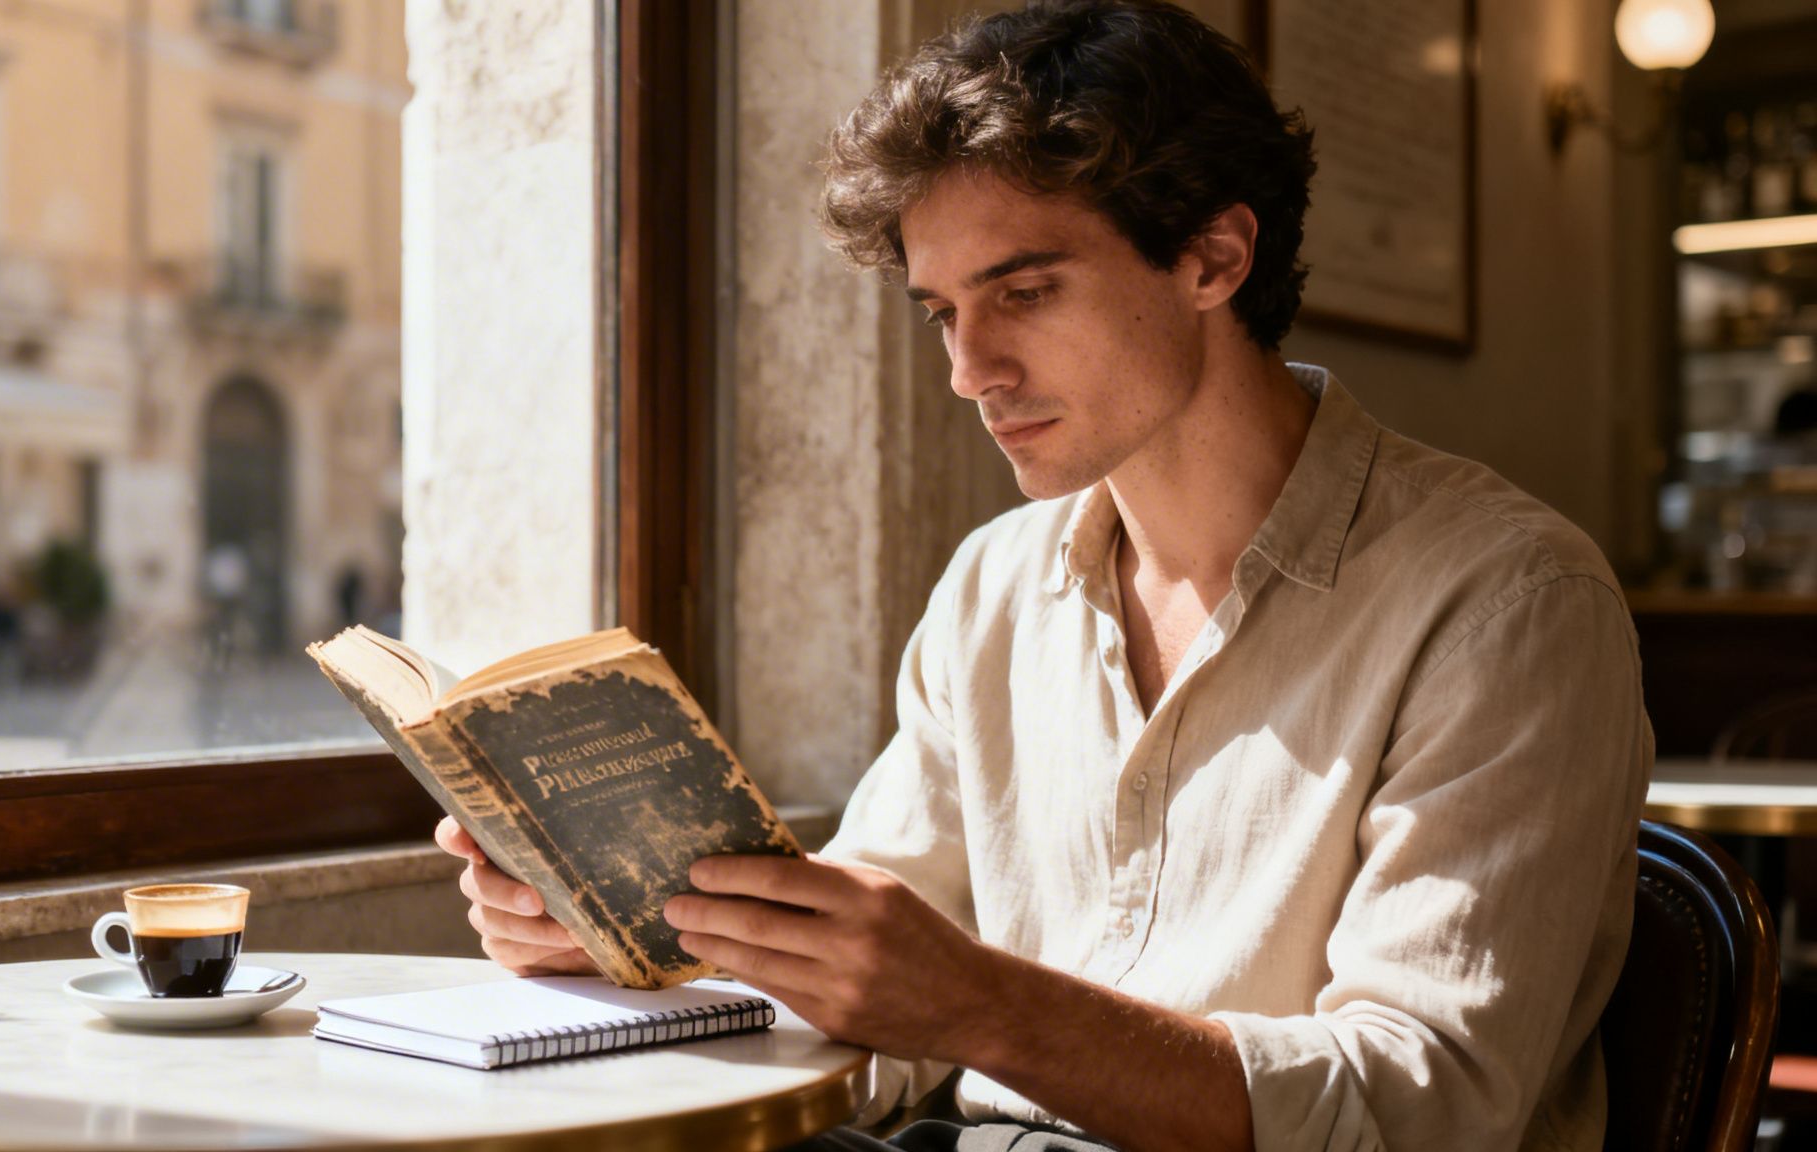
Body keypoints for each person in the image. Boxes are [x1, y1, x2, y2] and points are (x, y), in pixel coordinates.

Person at [438, 3, 1651, 1149]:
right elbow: (877, 1030)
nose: (970, 371)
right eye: (940, 314)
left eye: (1022, 292)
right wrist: (637, 957)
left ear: (1214, 257)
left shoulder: (1506, 602)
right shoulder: (993, 587)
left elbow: (1419, 1111)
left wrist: (980, 1008)